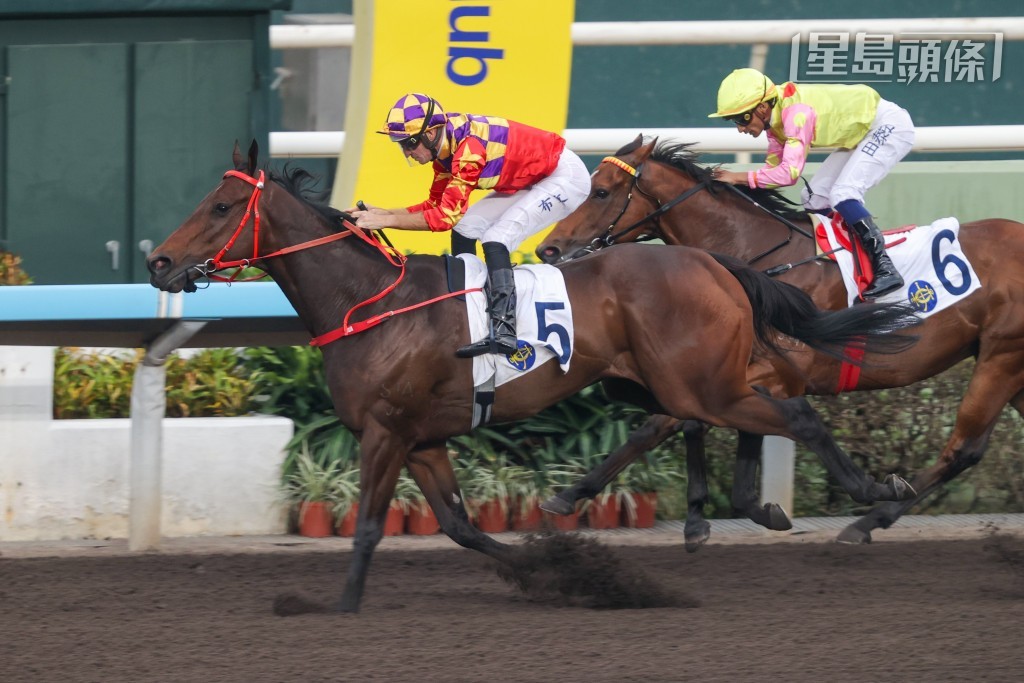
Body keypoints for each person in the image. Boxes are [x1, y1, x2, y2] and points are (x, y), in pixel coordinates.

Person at [350, 93, 591, 358]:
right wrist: (383, 212)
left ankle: (504, 330)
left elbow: (443, 217)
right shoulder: (445, 147)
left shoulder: (468, 151)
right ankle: (465, 310)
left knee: (496, 238)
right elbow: (436, 205)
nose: (407, 152)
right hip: (535, 176)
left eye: (410, 143)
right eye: (402, 145)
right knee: (465, 227)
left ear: (430, 134)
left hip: (564, 176)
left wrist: (385, 221)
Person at [709, 68, 914, 299]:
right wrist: (731, 186)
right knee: (813, 197)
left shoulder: (796, 115)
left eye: (741, 118)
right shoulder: (774, 125)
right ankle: (841, 265)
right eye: (733, 120)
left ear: (762, 108)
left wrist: (737, 177)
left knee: (844, 193)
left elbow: (789, 174)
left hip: (888, 127)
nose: (739, 127)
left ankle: (884, 266)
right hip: (861, 134)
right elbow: (772, 172)